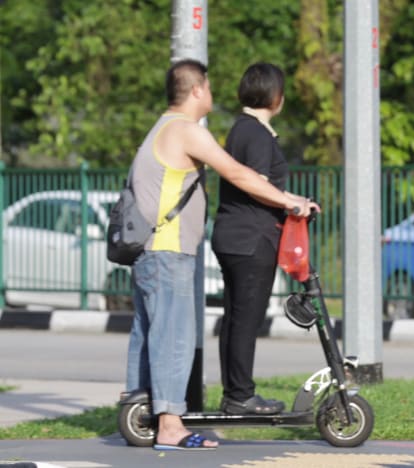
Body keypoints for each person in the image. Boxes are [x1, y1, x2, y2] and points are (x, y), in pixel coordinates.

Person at [125, 59, 318, 451]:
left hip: (153, 250)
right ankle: (169, 427)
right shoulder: (184, 130)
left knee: (148, 334)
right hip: (168, 249)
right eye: (209, 87)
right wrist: (291, 202)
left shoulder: (162, 128)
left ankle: (138, 412)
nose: (213, 94)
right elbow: (239, 174)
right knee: (173, 336)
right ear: (197, 90)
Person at [210, 62, 293, 415]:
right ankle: (241, 395)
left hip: (233, 236)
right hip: (251, 238)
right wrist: (293, 202)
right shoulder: (256, 134)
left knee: (235, 317)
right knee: (246, 318)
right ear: (276, 96)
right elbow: (254, 182)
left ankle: (235, 393)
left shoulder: (240, 129)